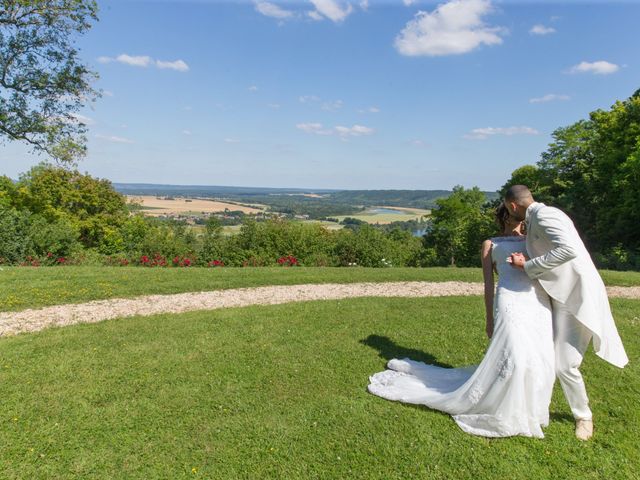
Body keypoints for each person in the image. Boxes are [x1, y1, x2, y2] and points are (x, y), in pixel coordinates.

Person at [367, 205, 556, 438]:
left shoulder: (534, 241)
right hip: (509, 301)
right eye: (512, 213)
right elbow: (488, 285)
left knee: (537, 357)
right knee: (515, 356)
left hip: (536, 302)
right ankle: (505, 409)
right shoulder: (490, 244)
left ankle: (530, 410)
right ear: (504, 216)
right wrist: (490, 318)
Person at [504, 185, 628, 441]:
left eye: (507, 208)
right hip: (560, 294)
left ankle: (583, 416)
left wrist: (527, 265)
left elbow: (568, 250)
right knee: (545, 353)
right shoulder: (538, 217)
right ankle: (535, 406)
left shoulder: (546, 215)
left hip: (577, 297)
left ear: (513, 205)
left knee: (565, 363)